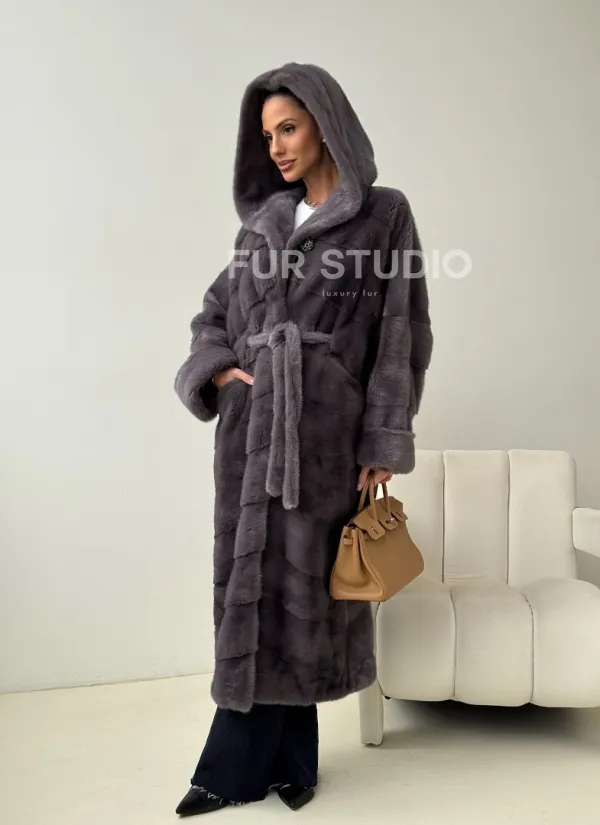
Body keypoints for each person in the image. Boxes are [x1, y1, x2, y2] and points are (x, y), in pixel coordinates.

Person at [172, 62, 433, 815]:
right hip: (251, 434)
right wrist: (220, 372)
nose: (278, 147)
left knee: (305, 593)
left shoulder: (383, 215)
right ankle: (274, 765)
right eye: (267, 136)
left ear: (325, 123)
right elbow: (213, 315)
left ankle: (253, 767)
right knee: (253, 590)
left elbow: (400, 333)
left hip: (326, 435)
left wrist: (381, 438)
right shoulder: (260, 227)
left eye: (288, 128)